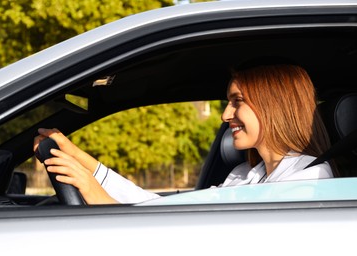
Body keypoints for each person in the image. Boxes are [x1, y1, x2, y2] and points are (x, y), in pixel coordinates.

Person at [34, 63, 335, 204]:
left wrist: (98, 196)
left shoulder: (309, 180)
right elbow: (162, 208)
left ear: (273, 106)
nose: (225, 115)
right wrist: (82, 162)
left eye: (237, 102)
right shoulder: (246, 175)